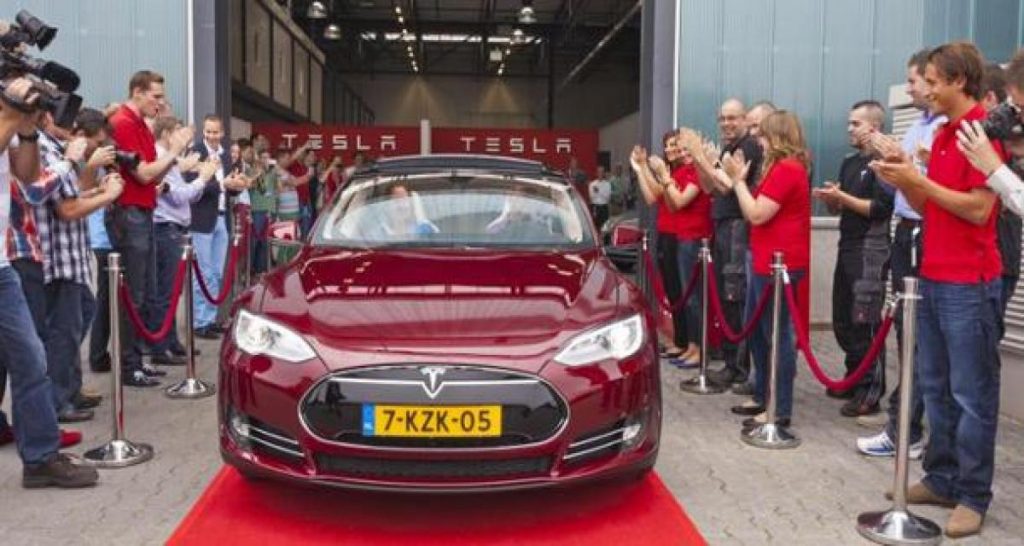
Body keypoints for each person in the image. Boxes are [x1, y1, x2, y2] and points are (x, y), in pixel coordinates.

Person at [870, 42, 1003, 538]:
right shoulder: (944, 134)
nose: (923, 89)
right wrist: (904, 176)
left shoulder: (980, 133)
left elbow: (979, 209)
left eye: (931, 80)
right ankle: (942, 477)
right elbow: (930, 207)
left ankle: (973, 494)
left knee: (970, 393)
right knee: (935, 385)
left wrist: (916, 181)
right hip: (935, 276)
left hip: (970, 282)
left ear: (958, 81)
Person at [0, 76, 99, 488]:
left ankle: (40, 459)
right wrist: (13, 113)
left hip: (3, 265)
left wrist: (24, 128)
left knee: (30, 359)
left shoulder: (15, 126)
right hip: (20, 258)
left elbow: (25, 175)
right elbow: (41, 195)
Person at [856, 49, 942, 456]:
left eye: (914, 81)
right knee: (907, 334)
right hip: (905, 231)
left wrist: (906, 166)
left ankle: (908, 428)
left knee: (920, 337)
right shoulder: (917, 126)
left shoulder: (944, 128)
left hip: (926, 231)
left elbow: (931, 187)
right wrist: (887, 165)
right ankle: (905, 424)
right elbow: (899, 188)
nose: (909, 89)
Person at [721, 110, 811, 430]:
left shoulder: (788, 169)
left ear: (776, 136)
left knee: (777, 335)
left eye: (762, 134)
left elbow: (757, 214)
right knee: (757, 331)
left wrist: (738, 182)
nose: (758, 140)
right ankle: (762, 395)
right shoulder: (779, 168)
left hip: (780, 263)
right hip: (765, 260)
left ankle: (779, 407)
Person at [108, 70, 193, 387]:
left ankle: (138, 360)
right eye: (155, 96)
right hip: (130, 212)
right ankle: (130, 364)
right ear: (137, 92)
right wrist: (174, 151)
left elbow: (153, 174)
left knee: (146, 293)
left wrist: (169, 157)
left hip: (143, 211)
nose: (160, 103)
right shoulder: (124, 123)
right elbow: (145, 174)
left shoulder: (140, 125)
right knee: (135, 294)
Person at [813, 100, 893, 418]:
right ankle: (853, 378)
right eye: (849, 123)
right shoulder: (849, 162)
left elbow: (879, 209)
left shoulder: (884, 163)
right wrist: (833, 199)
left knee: (865, 320)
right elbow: (841, 208)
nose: (849, 129)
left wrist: (842, 197)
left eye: (856, 124)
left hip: (869, 250)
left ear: (875, 127)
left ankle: (870, 392)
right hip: (846, 245)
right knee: (844, 319)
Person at [681, 98, 765, 389]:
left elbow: (730, 185)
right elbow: (710, 187)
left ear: (744, 120)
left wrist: (700, 157)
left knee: (734, 295)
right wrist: (700, 161)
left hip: (737, 228)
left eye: (732, 118)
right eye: (722, 119)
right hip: (723, 226)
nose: (726, 124)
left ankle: (738, 367)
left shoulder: (748, 147)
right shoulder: (730, 148)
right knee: (725, 297)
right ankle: (732, 363)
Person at [648, 142, 713, 370]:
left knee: (693, 298)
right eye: (682, 150)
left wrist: (664, 177)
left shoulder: (697, 172)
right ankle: (691, 345)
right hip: (682, 236)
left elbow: (679, 201)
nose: (683, 154)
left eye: (687, 150)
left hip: (694, 237)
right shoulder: (682, 171)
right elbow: (666, 201)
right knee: (686, 296)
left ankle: (697, 347)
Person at [148, 115, 207, 357]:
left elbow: (185, 194)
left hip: (176, 227)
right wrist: (203, 179)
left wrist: (199, 182)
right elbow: (177, 195)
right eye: (180, 133)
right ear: (166, 134)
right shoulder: (161, 156)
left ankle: (171, 341)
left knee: (173, 290)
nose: (184, 138)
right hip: (166, 227)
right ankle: (161, 347)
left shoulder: (170, 158)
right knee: (167, 290)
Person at [630, 134, 690, 363]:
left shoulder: (682, 172)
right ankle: (680, 339)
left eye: (675, 145)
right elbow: (652, 197)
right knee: (672, 290)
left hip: (678, 235)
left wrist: (647, 169)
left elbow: (663, 196)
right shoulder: (672, 172)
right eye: (668, 146)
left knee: (679, 290)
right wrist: (641, 168)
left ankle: (684, 341)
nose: (670, 150)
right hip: (665, 232)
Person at [188, 115, 249, 340]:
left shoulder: (224, 155)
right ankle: (200, 322)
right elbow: (193, 187)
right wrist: (223, 184)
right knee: (203, 274)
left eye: (216, 132)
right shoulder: (195, 153)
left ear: (222, 133)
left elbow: (227, 189)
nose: (212, 136)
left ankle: (210, 319)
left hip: (222, 219)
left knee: (216, 273)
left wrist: (236, 186)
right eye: (208, 132)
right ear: (203, 132)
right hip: (201, 220)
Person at [588, 165, 612, 229]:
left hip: (604, 208)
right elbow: (591, 197)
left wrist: (598, 191)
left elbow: (607, 198)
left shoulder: (607, 184)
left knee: (605, 228)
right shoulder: (592, 184)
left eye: (602, 172)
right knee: (595, 227)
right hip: (595, 207)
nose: (600, 173)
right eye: (599, 172)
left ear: (604, 173)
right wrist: (601, 193)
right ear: (596, 173)